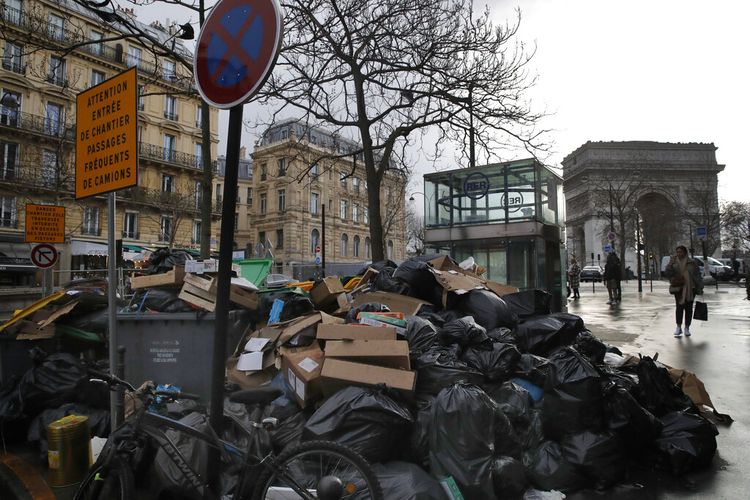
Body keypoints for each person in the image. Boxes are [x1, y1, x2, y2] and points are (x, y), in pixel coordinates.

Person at [665, 245, 703, 338]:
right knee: (679, 307)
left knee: (689, 308)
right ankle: (678, 327)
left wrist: (700, 287)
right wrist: (670, 264)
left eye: (680, 252)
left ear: (685, 252)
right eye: (677, 252)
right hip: (679, 288)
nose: (678, 253)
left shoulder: (692, 262)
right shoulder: (674, 262)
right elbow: (668, 274)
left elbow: (697, 275)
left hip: (691, 288)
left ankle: (687, 328)